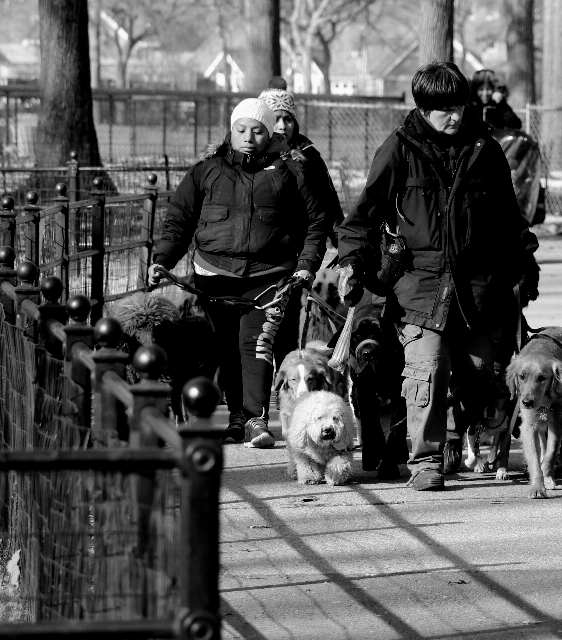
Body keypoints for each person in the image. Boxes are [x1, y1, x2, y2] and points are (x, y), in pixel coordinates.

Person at [335, 61, 540, 491]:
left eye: (460, 106)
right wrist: (352, 262)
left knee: (480, 371)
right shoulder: (398, 149)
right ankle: (425, 460)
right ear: (423, 108)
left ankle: (453, 438)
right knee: (427, 369)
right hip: (418, 284)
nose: (456, 116)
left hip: (478, 286)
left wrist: (526, 261)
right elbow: (362, 217)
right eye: (444, 109)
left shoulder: (486, 150)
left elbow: (509, 216)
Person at [148, 98, 341, 448]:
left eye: (257, 131)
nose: (249, 137)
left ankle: (255, 418)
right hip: (214, 277)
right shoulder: (207, 170)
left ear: (269, 134)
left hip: (270, 278)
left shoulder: (291, 172)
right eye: (241, 130)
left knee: (256, 344)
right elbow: (179, 221)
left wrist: (306, 265)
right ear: (230, 131)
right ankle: (237, 416)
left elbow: (317, 221)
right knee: (226, 348)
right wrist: (163, 260)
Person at [258, 76, 344, 369]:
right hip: (254, 255)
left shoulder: (308, 158)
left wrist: (344, 247)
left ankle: (284, 389)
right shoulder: (249, 157)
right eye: (275, 119)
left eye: (288, 119)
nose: (282, 126)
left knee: (284, 326)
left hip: (293, 256)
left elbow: (327, 208)